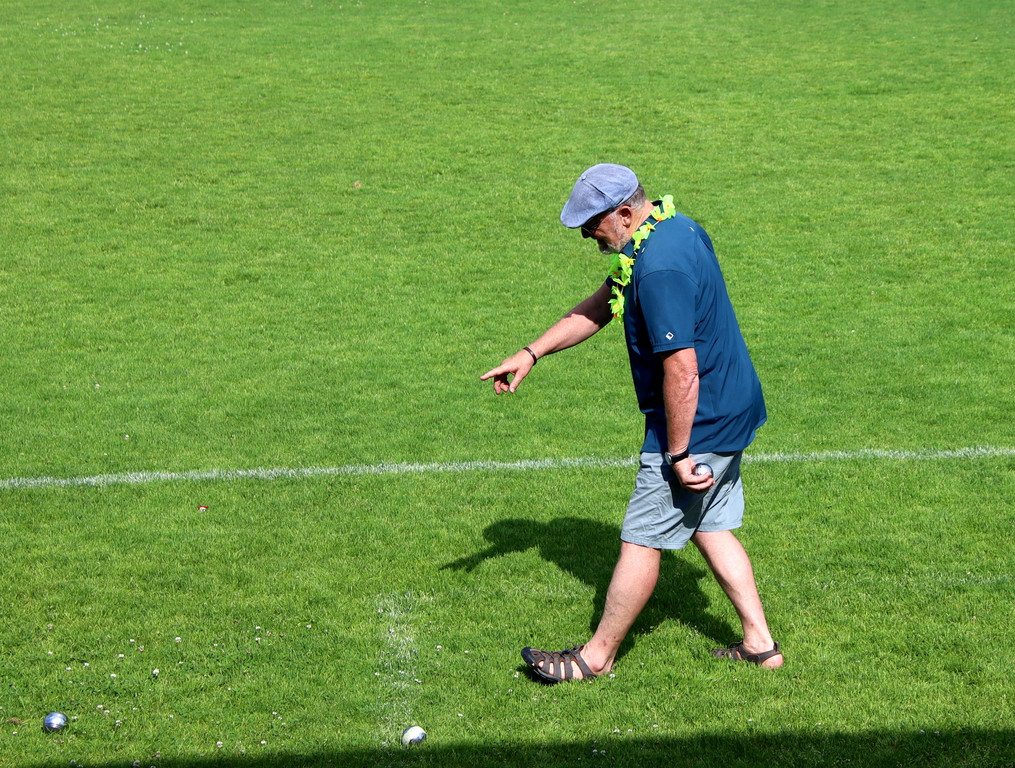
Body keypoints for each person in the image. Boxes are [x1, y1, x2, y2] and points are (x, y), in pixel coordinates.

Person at [480, 163, 783, 681]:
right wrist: (532, 353)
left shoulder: (659, 267)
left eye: (591, 223)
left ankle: (595, 658)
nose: (585, 235)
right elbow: (604, 303)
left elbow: (682, 369)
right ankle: (760, 644)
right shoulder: (672, 230)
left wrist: (678, 454)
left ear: (624, 213)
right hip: (731, 405)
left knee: (642, 538)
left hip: (698, 420)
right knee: (709, 525)